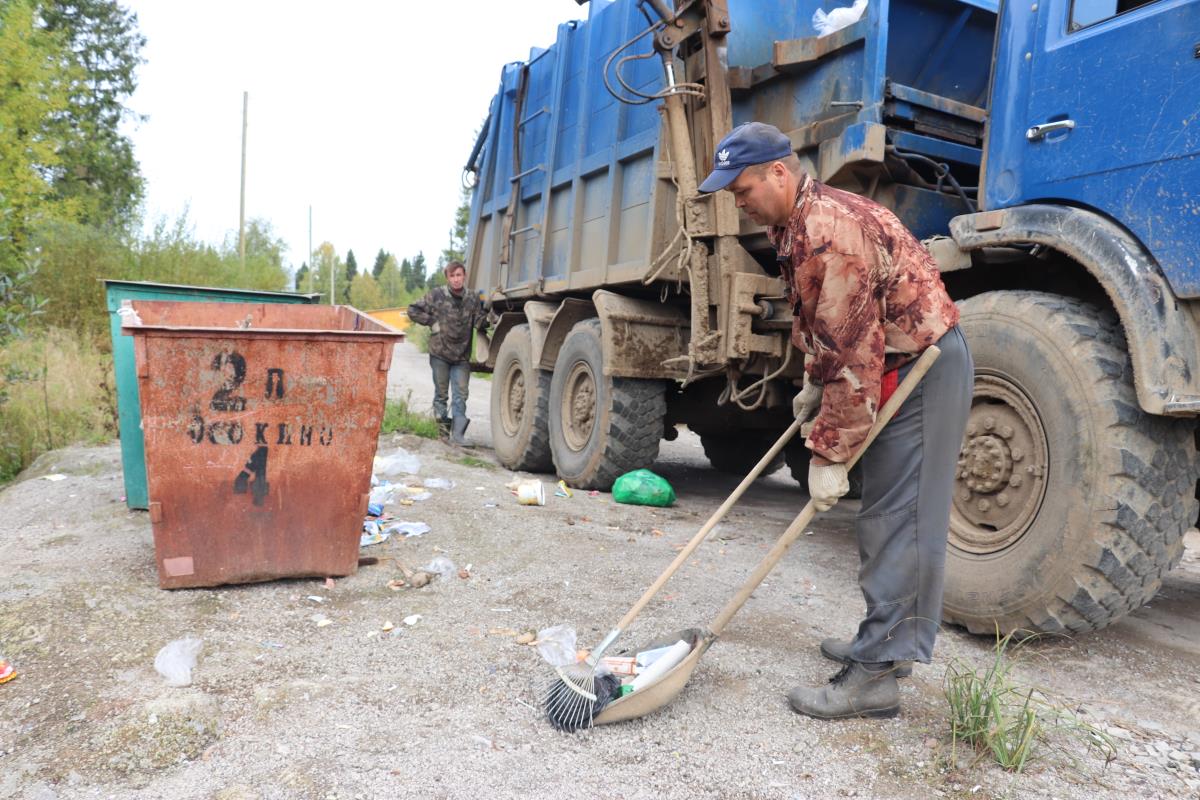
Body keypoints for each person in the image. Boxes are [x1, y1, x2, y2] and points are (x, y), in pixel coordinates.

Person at [699, 122, 973, 719]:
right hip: (885, 361)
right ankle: (888, 644)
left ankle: (875, 675)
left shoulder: (829, 229)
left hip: (918, 367)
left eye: (741, 189)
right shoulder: (792, 223)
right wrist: (811, 384)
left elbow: (856, 349)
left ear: (778, 171)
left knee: (899, 521)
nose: (737, 202)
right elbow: (823, 323)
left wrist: (827, 454)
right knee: (886, 512)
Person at [406, 260, 488, 446]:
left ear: (464, 276)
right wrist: (432, 322)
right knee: (441, 394)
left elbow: (479, 320)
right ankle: (443, 434)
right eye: (452, 276)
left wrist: (488, 316)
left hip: (461, 356)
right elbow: (413, 309)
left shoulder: (473, 297)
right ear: (447, 278)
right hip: (440, 353)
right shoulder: (437, 295)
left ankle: (458, 436)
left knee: (461, 394)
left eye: (459, 275)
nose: (456, 279)